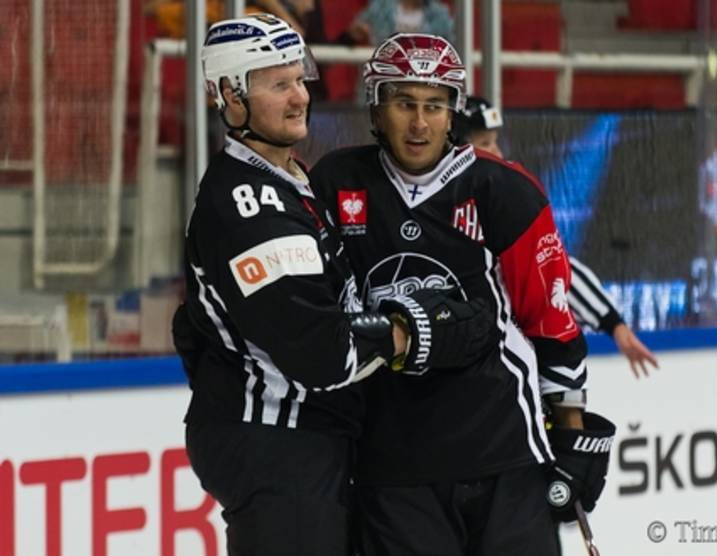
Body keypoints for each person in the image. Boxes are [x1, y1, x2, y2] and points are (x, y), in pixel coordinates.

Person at [173, 16, 496, 556]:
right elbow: (322, 351)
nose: (300, 96)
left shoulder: (289, 178)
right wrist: (413, 329)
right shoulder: (247, 205)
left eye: (300, 79)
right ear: (230, 96)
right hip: (278, 443)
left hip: (301, 438)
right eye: (279, 85)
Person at [310, 33, 615, 555]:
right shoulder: (337, 183)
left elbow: (549, 320)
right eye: (404, 104)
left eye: (434, 106)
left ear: (452, 113)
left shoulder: (505, 191)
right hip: (393, 464)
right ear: (376, 109)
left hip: (503, 451)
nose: (420, 122)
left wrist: (569, 430)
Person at [453, 95, 660, 378]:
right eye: (486, 143)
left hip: (494, 370)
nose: (498, 152)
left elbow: (552, 270)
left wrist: (614, 324)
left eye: (495, 141)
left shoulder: (505, 199)